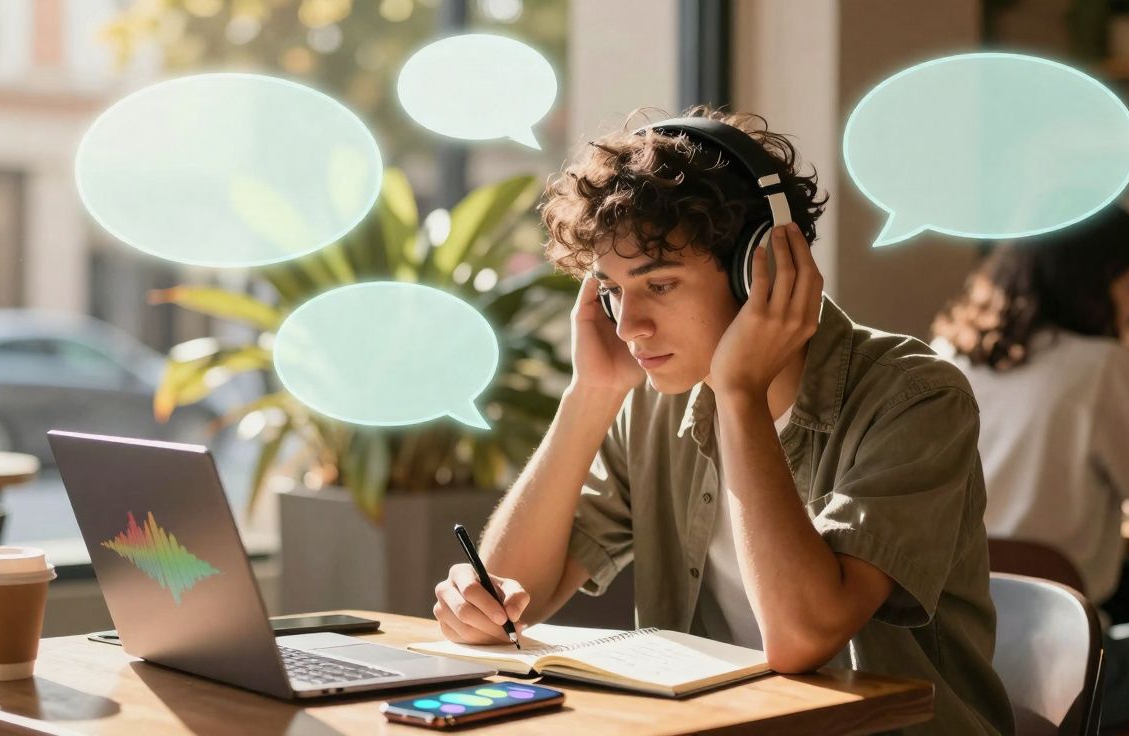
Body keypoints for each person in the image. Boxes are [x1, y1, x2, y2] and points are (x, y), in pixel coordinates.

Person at [431, 106, 1014, 735]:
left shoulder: (914, 398)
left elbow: (800, 638)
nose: (628, 327)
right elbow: (515, 594)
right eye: (611, 290)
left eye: (659, 285)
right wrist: (590, 393)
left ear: (758, 267)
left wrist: (740, 395)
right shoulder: (659, 397)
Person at [932, 204, 1129, 733]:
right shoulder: (1102, 370)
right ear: (1093, 281)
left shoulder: (946, 358)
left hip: (946, 661)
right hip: (1052, 670)